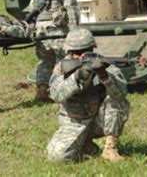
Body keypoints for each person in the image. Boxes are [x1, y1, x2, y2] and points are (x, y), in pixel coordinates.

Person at [47, 29, 130, 162]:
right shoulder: (62, 67)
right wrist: (77, 77)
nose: (81, 57)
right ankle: (84, 143)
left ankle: (110, 148)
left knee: (117, 101)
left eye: (86, 51)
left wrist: (105, 76)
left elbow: (121, 93)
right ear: (69, 52)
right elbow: (56, 94)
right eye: (77, 53)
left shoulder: (102, 63)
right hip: (73, 122)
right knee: (57, 157)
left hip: (98, 120)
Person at [29, 0, 80, 101]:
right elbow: (70, 6)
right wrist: (75, 30)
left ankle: (42, 91)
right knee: (62, 60)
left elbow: (33, 7)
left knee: (45, 60)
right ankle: (60, 92)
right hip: (57, 29)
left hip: (40, 28)